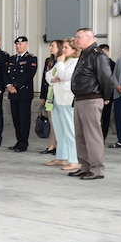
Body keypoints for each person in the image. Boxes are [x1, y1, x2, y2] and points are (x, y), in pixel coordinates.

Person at [69, 28, 113, 180]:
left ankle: (97, 169)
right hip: (80, 99)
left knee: (92, 136)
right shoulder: (85, 53)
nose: (76, 40)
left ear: (89, 37)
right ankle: (85, 166)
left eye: (78, 37)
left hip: (91, 99)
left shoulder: (97, 55)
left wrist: (106, 97)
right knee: (81, 136)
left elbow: (106, 78)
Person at [45, 38, 79, 170]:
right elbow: (48, 76)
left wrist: (59, 64)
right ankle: (61, 157)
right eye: (63, 47)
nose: (63, 50)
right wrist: (54, 78)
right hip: (55, 98)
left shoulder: (74, 62)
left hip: (66, 99)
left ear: (74, 50)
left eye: (66, 48)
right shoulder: (63, 61)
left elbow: (65, 75)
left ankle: (74, 159)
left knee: (69, 131)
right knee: (59, 131)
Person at [5, 36, 38, 153]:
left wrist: (15, 85)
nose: (18, 46)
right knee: (16, 119)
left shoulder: (31, 59)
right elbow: (6, 73)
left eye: (21, 44)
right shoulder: (12, 59)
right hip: (12, 93)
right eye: (17, 45)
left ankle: (23, 143)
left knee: (24, 119)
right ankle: (18, 141)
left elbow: (29, 75)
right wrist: (8, 85)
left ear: (26, 45)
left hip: (24, 93)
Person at [38, 39, 62, 155]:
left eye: (52, 46)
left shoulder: (63, 61)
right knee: (52, 121)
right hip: (49, 95)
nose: (50, 48)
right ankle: (51, 145)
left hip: (60, 95)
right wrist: (42, 95)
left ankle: (59, 146)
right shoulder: (49, 61)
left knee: (59, 123)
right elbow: (44, 79)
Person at [110, 46, 121, 149]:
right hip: (119, 93)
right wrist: (118, 86)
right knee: (118, 117)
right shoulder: (120, 61)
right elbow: (114, 76)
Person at [99, 44, 115, 141]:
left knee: (106, 115)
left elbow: (112, 80)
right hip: (97, 93)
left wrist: (108, 96)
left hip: (108, 94)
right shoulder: (96, 63)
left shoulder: (113, 64)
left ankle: (103, 136)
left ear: (107, 52)